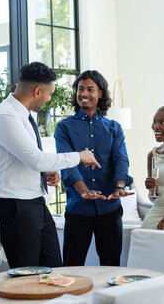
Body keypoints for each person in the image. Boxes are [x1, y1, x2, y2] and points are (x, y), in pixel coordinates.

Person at [0, 62, 100, 269]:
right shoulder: (5, 116)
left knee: (53, 270)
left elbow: (28, 160)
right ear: (38, 91)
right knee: (28, 276)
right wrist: (79, 156)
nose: (48, 99)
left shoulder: (25, 116)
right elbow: (36, 159)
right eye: (48, 94)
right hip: (12, 207)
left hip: (33, 204)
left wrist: (44, 172)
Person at [54, 70, 134, 266]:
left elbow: (121, 159)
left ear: (100, 94)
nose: (84, 94)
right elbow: (67, 165)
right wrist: (83, 190)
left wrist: (120, 186)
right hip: (78, 210)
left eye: (90, 89)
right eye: (80, 89)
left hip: (109, 210)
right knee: (72, 267)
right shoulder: (64, 127)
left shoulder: (114, 127)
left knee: (111, 266)